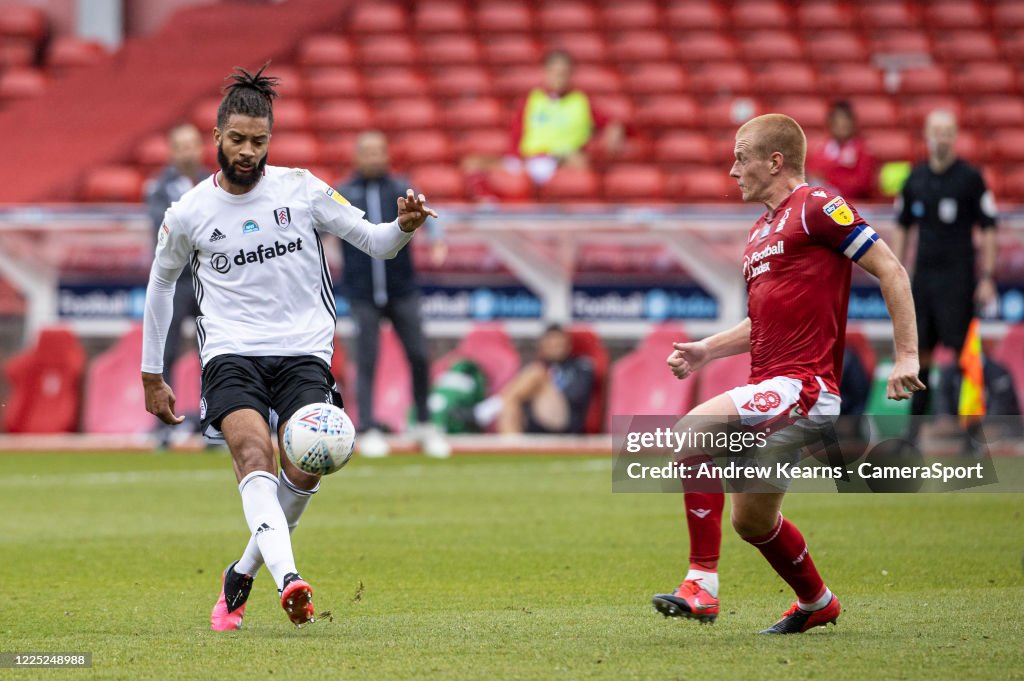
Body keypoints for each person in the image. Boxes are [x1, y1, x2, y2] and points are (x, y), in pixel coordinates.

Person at [140, 65, 437, 630]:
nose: (248, 151)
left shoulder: (302, 189)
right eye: (238, 139)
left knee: (309, 464)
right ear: (218, 137)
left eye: (259, 141)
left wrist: (402, 227)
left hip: (304, 353)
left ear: (269, 139)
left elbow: (374, 243)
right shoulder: (189, 214)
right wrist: (152, 373)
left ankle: (243, 573)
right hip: (230, 353)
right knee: (255, 456)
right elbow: (161, 283)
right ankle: (289, 579)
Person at [651, 114, 924, 633]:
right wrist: (707, 349)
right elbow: (763, 320)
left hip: (804, 386)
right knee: (751, 520)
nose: (733, 170)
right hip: (771, 386)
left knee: (692, 432)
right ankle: (817, 603)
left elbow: (891, 267)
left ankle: (701, 585)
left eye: (741, 156)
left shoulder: (817, 207)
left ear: (775, 161)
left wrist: (907, 355)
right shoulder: (758, 232)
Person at [336, 131, 450, 459]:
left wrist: (437, 238)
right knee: (367, 358)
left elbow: (429, 213)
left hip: (402, 289)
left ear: (387, 154)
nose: (373, 158)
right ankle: (368, 426)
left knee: (418, 354)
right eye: (366, 152)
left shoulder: (400, 188)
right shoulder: (345, 193)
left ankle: (425, 424)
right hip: (362, 292)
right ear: (357, 156)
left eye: (378, 151)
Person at [892, 110, 998, 440]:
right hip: (923, 282)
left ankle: (971, 433)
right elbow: (902, 227)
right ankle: (912, 435)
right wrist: (898, 272)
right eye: (936, 130)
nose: (941, 136)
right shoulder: (915, 180)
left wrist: (988, 276)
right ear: (926, 135)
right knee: (918, 356)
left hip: (959, 281)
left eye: (947, 131)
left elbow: (990, 227)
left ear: (955, 135)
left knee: (964, 357)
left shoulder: (970, 179)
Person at [463, 50, 625, 193]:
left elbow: (610, 122)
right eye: (555, 73)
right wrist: (515, 158)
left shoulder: (581, 101)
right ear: (545, 72)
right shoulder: (533, 99)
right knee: (472, 163)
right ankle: (489, 206)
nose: (559, 78)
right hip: (529, 159)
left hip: (559, 160)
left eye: (564, 73)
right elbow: (517, 132)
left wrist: (614, 129)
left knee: (580, 165)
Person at [144, 123, 210, 442]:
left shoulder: (215, 182)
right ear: (172, 151)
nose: (188, 152)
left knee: (213, 352)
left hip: (209, 281)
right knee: (165, 352)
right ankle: (163, 425)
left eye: (192, 145)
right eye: (181, 146)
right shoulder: (159, 188)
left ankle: (213, 420)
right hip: (175, 282)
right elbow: (162, 229)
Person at [474, 324, 594, 435]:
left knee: (536, 374)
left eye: (559, 345)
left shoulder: (580, 365)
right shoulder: (537, 366)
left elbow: (576, 396)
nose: (555, 349)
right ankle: (511, 448)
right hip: (534, 417)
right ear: (542, 347)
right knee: (510, 403)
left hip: (565, 418)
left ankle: (488, 409)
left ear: (568, 346)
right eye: (550, 345)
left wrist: (545, 382)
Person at [806, 100, 877, 200]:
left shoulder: (864, 151)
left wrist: (829, 177)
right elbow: (813, 178)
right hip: (825, 206)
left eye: (845, 120)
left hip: (855, 206)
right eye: (837, 120)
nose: (842, 125)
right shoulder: (820, 152)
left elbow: (861, 184)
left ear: (852, 122)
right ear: (830, 123)